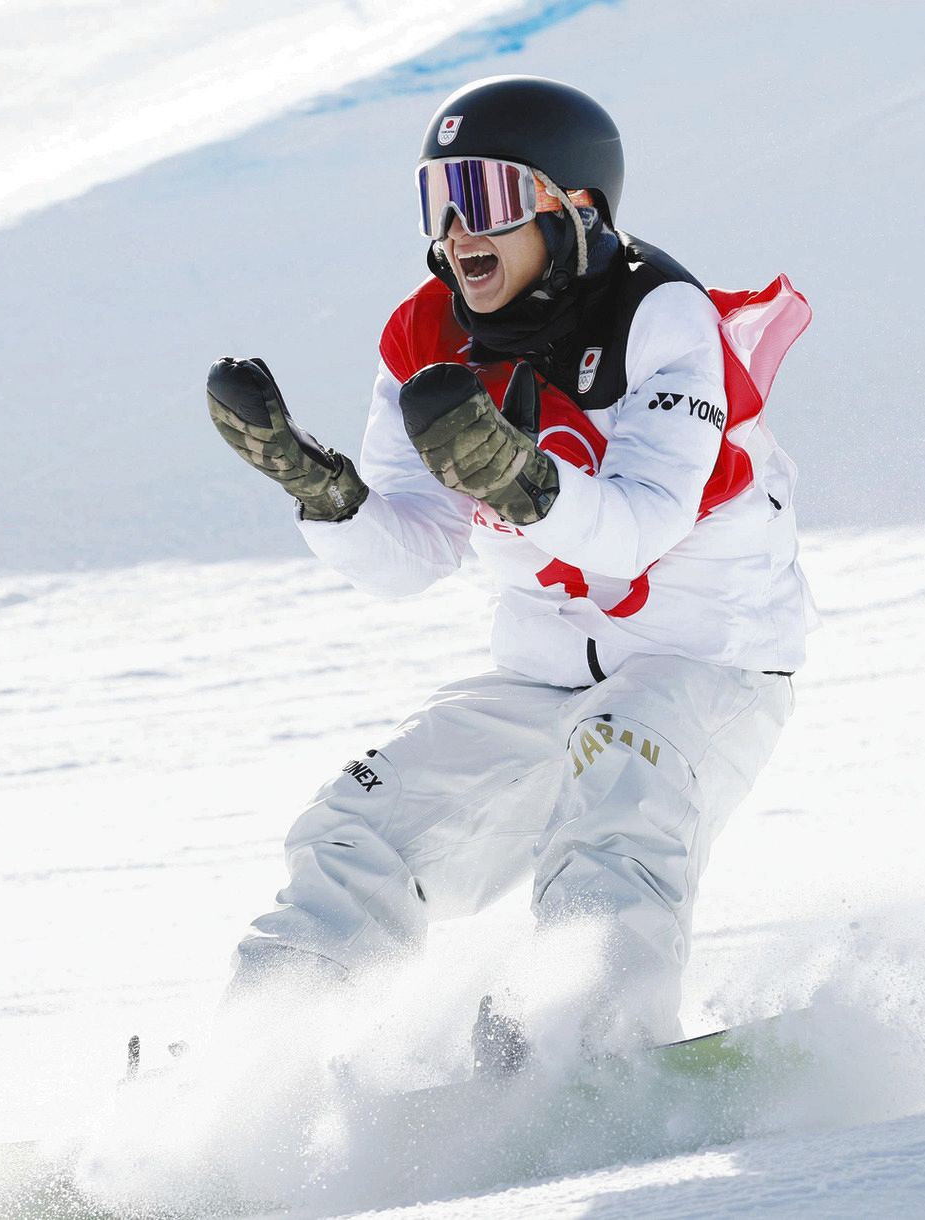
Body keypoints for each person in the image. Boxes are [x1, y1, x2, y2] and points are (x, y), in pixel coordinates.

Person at [206, 75, 817, 1051]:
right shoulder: (426, 336)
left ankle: (593, 1044)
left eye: (484, 196)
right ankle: (250, 1070)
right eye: (435, 201)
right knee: (360, 823)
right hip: (540, 672)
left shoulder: (659, 318)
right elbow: (409, 555)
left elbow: (640, 528)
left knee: (619, 783)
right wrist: (319, 490)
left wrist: (516, 478)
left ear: (574, 206)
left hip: (704, 657)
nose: (455, 230)